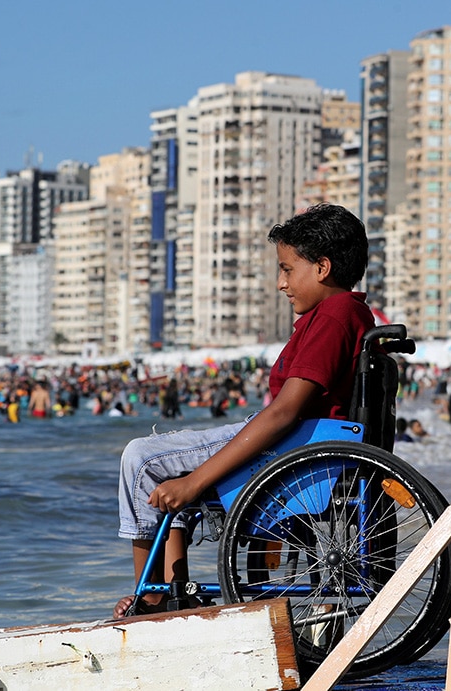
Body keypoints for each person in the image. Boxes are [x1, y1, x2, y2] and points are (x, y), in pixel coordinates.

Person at [112, 203, 374, 618]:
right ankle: (170, 587)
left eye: (287, 269)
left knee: (141, 458)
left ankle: (154, 598)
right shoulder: (347, 313)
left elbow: (284, 413)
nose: (280, 283)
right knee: (164, 463)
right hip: (316, 441)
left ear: (322, 267)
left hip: (299, 441)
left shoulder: (333, 317)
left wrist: (196, 482)